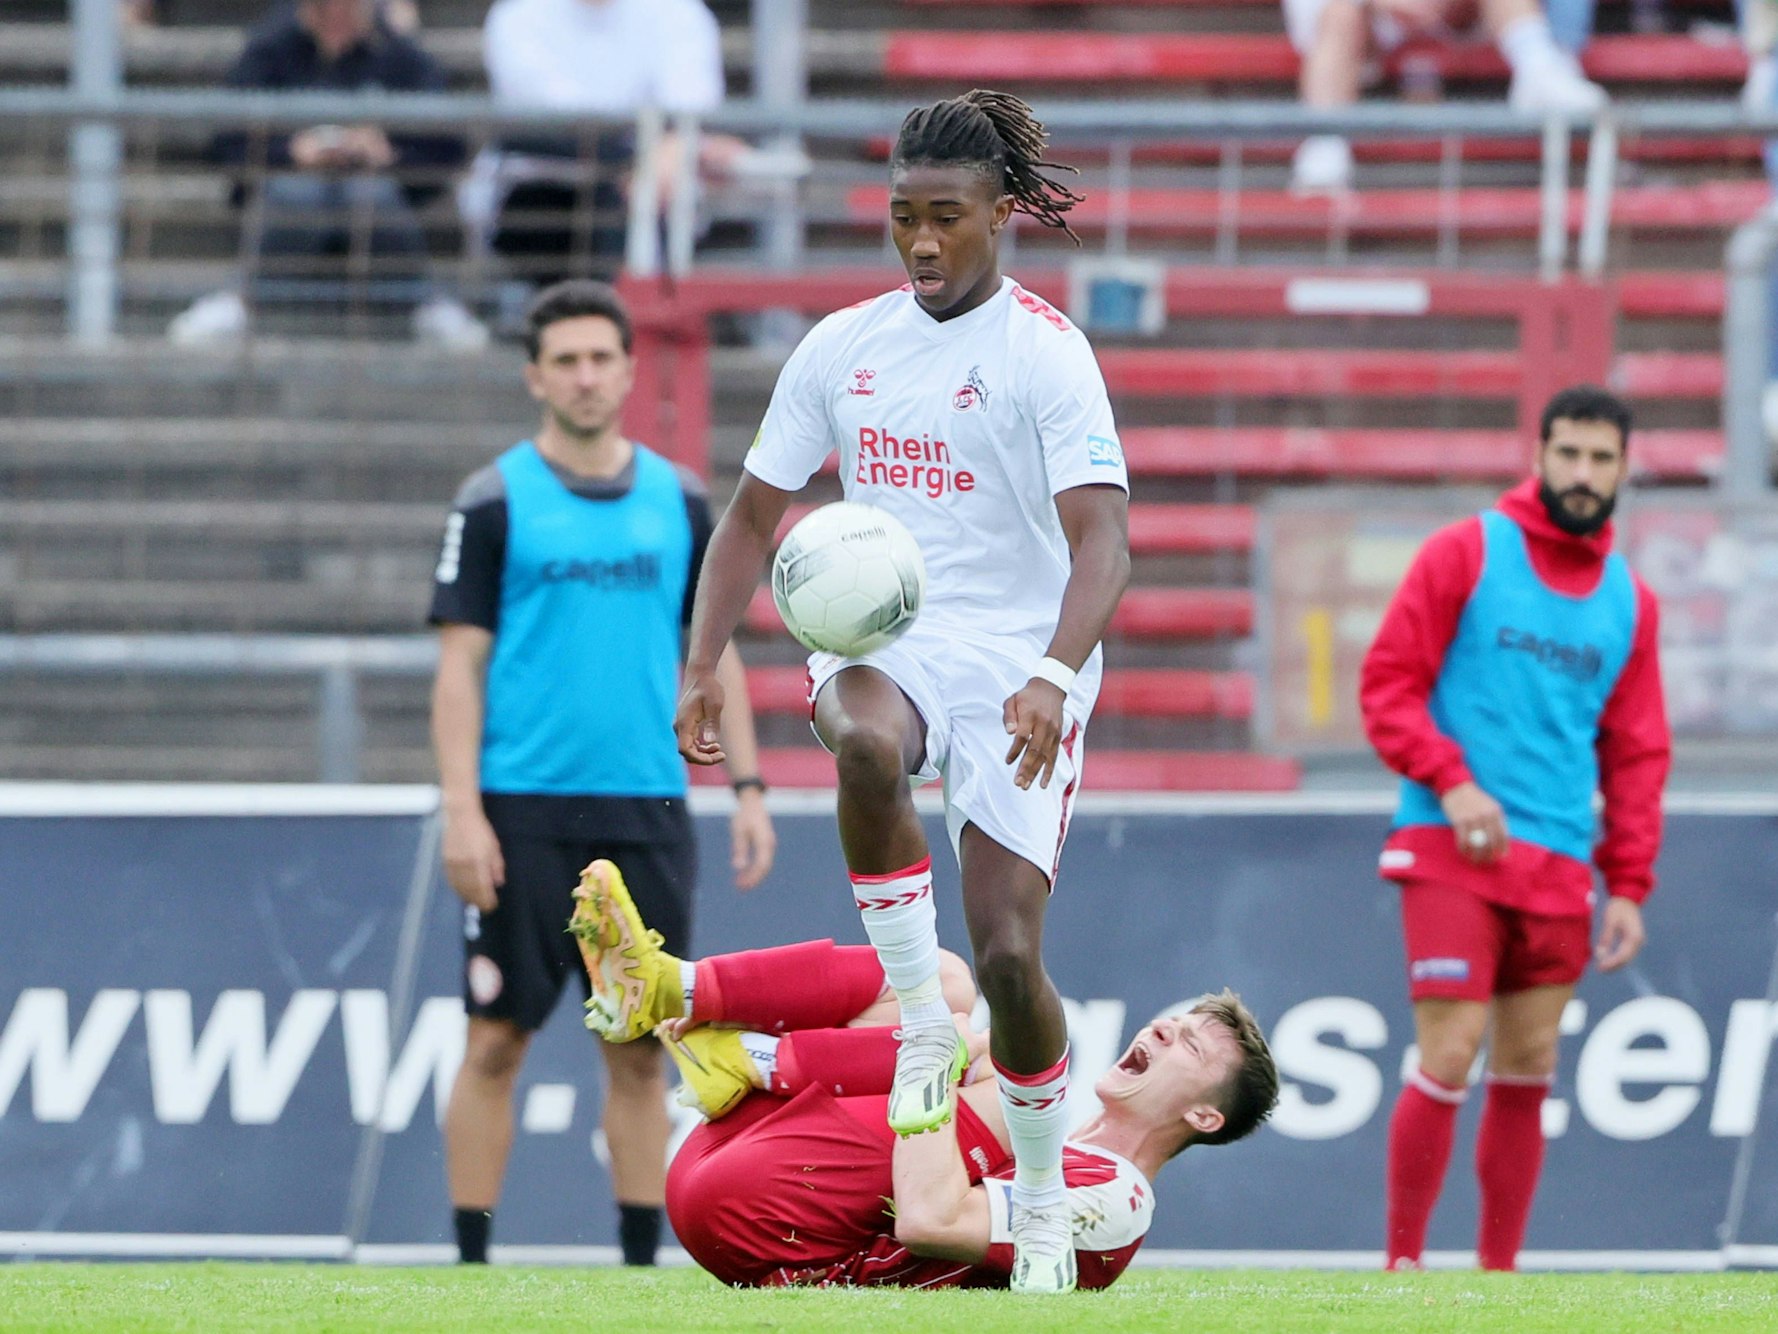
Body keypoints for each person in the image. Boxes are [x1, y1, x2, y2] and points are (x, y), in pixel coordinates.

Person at [671, 89, 1132, 1294]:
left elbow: (1105, 546)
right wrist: (697, 666)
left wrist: (1049, 670)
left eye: (946, 218)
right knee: (865, 741)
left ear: (999, 217)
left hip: (1021, 657)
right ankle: (923, 1014)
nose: (922, 243)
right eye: (900, 219)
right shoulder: (842, 346)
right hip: (891, 634)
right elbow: (750, 519)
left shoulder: (1045, 353)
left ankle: (1036, 1196)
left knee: (1014, 954)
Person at [427, 279, 777, 1267]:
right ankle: (469, 1265)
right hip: (520, 808)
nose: (584, 376)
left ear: (628, 370)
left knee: (637, 1046)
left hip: (647, 806)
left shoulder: (678, 501)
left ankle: (636, 1265)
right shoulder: (493, 500)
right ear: (535, 375)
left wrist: (747, 787)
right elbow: (458, 664)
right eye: (565, 359)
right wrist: (461, 809)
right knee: (496, 1038)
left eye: (600, 358)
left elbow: (711, 657)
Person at [570, 858, 1279, 1289]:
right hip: (731, 1165)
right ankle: (680, 993)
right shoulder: (1053, 1137)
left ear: (1205, 1118)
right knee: (945, 982)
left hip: (781, 1238)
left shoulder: (1120, 1200)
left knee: (1004, 1067)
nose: (1163, 1028)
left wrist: (944, 1058)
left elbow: (930, 1219)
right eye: (1175, 1020)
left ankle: (756, 1059)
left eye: (1189, 1047)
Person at [1358, 384, 1670, 1271]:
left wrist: (1632, 885)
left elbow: (1638, 755)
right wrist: (1452, 784)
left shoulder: (1631, 603)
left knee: (1530, 1065)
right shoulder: (1467, 551)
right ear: (1538, 455)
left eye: (1601, 458)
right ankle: (1403, 1269)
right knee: (1450, 1052)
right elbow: (1386, 686)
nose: (1582, 473)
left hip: (1561, 866)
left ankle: (1500, 1281)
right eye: (1567, 453)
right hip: (1450, 850)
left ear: (1623, 469)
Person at [168, 0, 487, 349]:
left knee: (369, 194)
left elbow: (447, 145)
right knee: (298, 194)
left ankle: (425, 304)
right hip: (286, 190)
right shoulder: (270, 49)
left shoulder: (399, 54)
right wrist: (290, 152)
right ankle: (240, 300)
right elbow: (225, 140)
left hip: (378, 195)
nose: (339, 11)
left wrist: (387, 153)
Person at [468, 0, 778, 290]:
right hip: (542, 187)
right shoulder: (519, 14)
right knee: (641, 177)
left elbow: (692, 105)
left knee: (665, 179)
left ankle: (646, 314)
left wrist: (672, 147)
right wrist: (655, 150)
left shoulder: (678, 11)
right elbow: (558, 116)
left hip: (653, 185)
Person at [1288, 0, 1607, 194]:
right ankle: (1324, 147)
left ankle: (1539, 69)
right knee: (1338, 14)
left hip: (1460, 13)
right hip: (1368, 20)